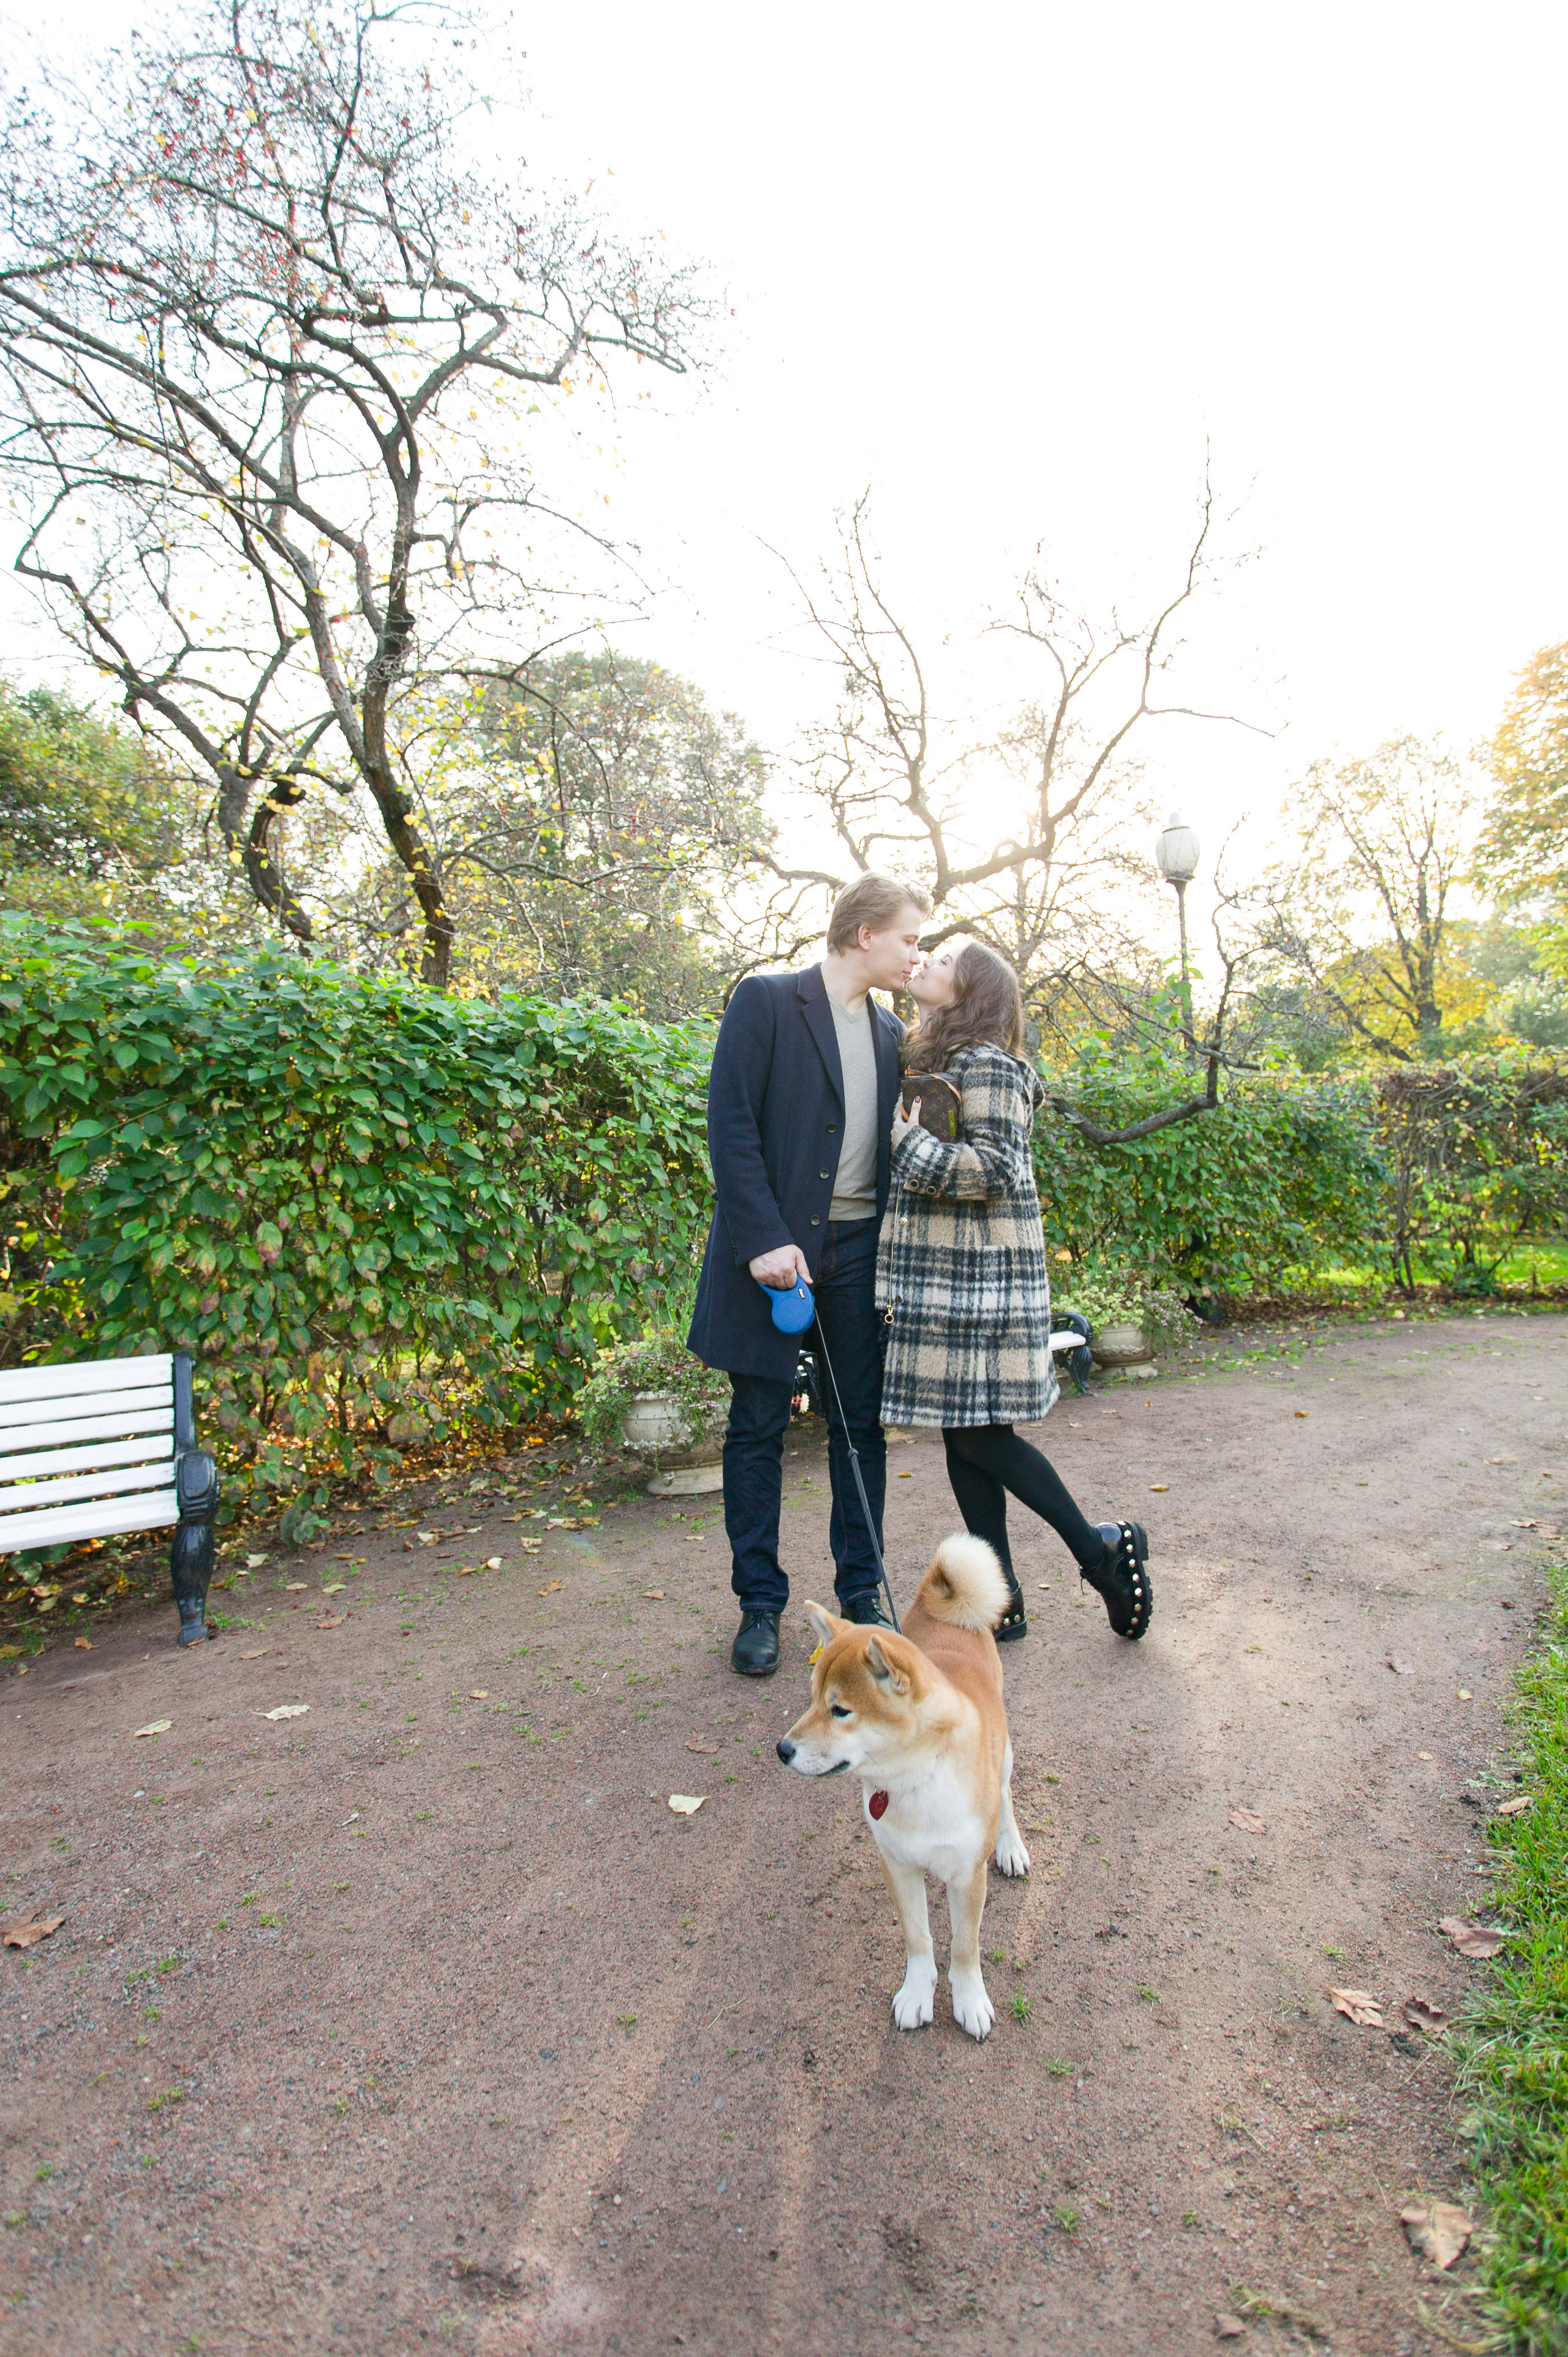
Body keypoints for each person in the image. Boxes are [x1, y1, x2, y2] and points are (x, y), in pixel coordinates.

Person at [688, 873, 932, 1676]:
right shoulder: (765, 1002)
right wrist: (762, 1237)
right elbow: (730, 1125)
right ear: (865, 933)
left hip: (859, 1253)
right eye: (907, 939)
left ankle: (862, 1598)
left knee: (858, 1424)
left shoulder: (895, 1034)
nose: (915, 954)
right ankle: (760, 1605)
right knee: (757, 1423)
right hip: (774, 1261)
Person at [879, 938, 1153, 1643]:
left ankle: (1099, 1554)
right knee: (969, 1436)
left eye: (942, 958)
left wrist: (905, 1145)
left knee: (978, 1436)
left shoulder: (990, 1065)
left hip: (982, 1281)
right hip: (949, 1279)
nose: (926, 962)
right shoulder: (940, 1060)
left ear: (971, 990)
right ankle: (1001, 1599)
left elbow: (994, 1169)